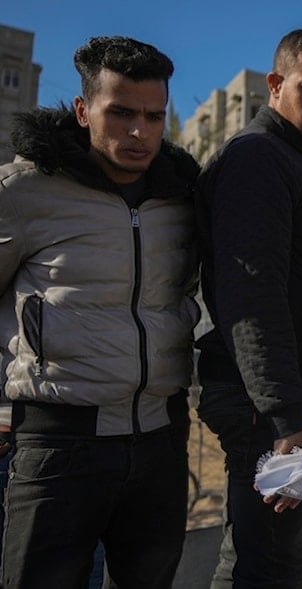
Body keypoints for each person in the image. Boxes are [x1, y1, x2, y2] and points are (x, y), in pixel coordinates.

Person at [0, 36, 200, 587]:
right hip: (59, 447)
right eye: (122, 113)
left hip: (161, 441)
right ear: (83, 110)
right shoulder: (23, 191)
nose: (140, 132)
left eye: (154, 116)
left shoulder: (183, 198)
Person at [195, 29, 302, 587]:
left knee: (270, 558)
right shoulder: (258, 158)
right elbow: (251, 297)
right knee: (267, 564)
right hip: (266, 406)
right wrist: (285, 416)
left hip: (284, 401)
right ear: (276, 85)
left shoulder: (288, 159)